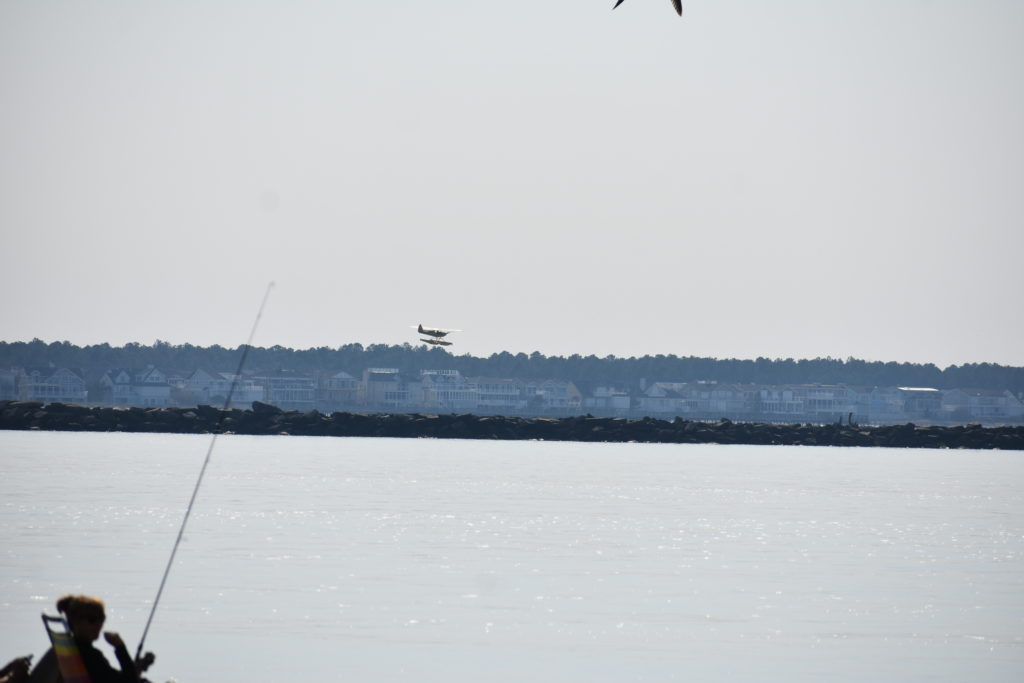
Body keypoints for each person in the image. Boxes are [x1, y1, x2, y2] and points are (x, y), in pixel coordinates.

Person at [29, 595, 155, 683]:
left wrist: (136, 669)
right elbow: (129, 682)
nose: (98, 624)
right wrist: (120, 647)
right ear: (75, 622)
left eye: (101, 619)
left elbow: (109, 676)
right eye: (92, 620)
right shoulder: (89, 655)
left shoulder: (69, 649)